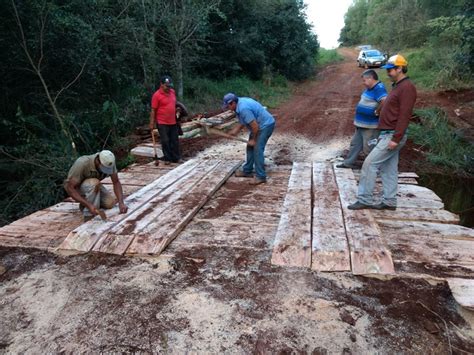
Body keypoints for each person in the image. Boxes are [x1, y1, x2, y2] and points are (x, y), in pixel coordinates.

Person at [348, 54, 417, 210]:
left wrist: (396, 138)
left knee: (369, 164)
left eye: (391, 70)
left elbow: (405, 115)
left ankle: (365, 199)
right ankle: (390, 201)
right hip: (387, 133)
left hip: (392, 135)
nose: (388, 72)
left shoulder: (407, 88)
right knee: (389, 169)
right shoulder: (397, 86)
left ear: (400, 68)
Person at [337, 69, 387, 169]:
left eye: (364, 80)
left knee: (369, 148)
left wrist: (377, 111)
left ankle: (373, 168)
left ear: (371, 78)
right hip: (361, 125)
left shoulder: (379, 88)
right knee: (355, 144)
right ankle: (348, 163)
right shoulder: (370, 88)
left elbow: (385, 100)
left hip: (370, 126)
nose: (363, 83)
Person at [222, 93, 276, 185]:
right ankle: (247, 171)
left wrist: (253, 140)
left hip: (265, 125)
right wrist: (235, 131)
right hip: (259, 125)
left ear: (233, 103)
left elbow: (255, 127)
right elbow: (244, 120)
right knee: (250, 147)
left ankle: (261, 177)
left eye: (228, 106)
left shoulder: (243, 108)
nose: (228, 109)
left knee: (257, 149)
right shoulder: (239, 104)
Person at [64, 150, 128, 221]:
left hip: (93, 187)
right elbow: (69, 187)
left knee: (110, 203)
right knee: (94, 183)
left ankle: (90, 203)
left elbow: (116, 182)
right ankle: (88, 215)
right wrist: (88, 205)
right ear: (98, 161)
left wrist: (121, 202)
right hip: (78, 190)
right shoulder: (82, 163)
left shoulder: (109, 163)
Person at [149, 75, 181, 164]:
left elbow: (174, 104)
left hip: (173, 121)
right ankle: (168, 158)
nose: (168, 88)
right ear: (161, 84)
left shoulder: (172, 92)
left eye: (170, 86)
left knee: (174, 140)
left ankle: (176, 158)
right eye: (167, 86)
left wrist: (177, 110)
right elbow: (153, 110)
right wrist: (151, 122)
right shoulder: (156, 95)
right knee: (165, 140)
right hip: (162, 122)